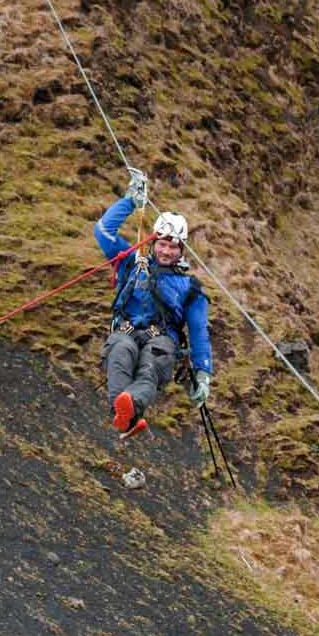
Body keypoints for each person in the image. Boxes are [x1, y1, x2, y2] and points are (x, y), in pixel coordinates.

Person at [93, 169, 213, 438]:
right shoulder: (130, 261)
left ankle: (130, 410)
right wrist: (129, 202)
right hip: (125, 330)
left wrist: (204, 372)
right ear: (153, 241)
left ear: (181, 250)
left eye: (173, 247)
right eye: (162, 245)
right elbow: (102, 231)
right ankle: (126, 416)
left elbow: (198, 331)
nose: (166, 252)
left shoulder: (190, 288)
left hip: (163, 340)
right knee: (120, 352)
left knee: (150, 368)